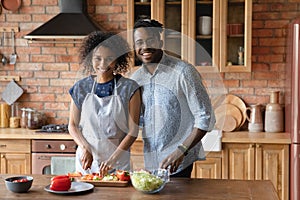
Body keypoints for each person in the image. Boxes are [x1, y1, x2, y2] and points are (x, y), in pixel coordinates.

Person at [130, 19, 215, 177]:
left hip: (179, 160)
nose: (145, 47)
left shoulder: (184, 72)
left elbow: (205, 117)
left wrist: (181, 151)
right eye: (139, 42)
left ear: (160, 42)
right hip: (152, 162)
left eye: (150, 40)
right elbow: (141, 119)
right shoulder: (136, 78)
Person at [68, 31, 141, 175]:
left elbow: (133, 131)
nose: (103, 64)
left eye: (109, 58)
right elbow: (72, 125)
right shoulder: (80, 88)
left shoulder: (129, 88)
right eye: (98, 58)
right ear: (90, 59)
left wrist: (113, 159)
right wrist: (85, 148)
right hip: (87, 162)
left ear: (118, 59)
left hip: (118, 163)